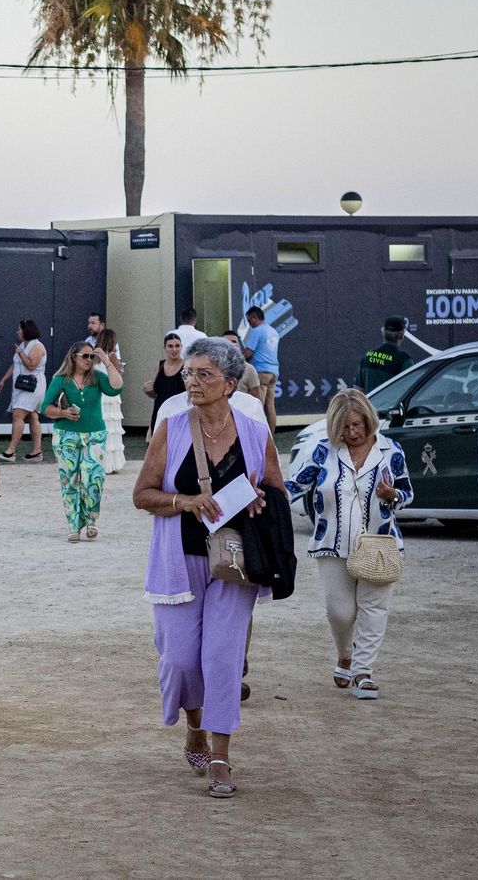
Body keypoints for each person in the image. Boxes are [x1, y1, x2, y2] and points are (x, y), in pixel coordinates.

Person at [132, 337, 282, 799]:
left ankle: (221, 757)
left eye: (203, 374)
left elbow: (277, 492)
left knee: (222, 657)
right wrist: (185, 501)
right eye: (188, 374)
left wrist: (261, 500)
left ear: (230, 384)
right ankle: (194, 725)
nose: (191, 382)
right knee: (180, 660)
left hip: (235, 563)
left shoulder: (255, 432)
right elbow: (142, 494)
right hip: (178, 561)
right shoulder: (171, 427)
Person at [285, 389, 414, 701]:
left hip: (380, 542)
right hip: (331, 542)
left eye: (357, 425)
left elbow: (407, 492)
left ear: (369, 420)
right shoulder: (323, 450)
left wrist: (392, 495)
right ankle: (345, 654)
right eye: (344, 427)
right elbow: (295, 486)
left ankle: (363, 672)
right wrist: (263, 493)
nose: (352, 433)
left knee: (374, 607)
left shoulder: (390, 450)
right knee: (340, 612)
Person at [42, 340, 123, 542]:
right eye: (85, 356)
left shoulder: (98, 377)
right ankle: (74, 524)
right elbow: (46, 408)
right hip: (66, 435)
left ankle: (91, 519)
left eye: (91, 356)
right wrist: (63, 412)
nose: (89, 360)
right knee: (69, 480)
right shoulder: (60, 379)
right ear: (73, 357)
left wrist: (106, 361)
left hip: (94, 434)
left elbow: (116, 388)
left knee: (94, 478)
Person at [0, 319, 47, 462]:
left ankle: (11, 450)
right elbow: (15, 364)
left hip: (33, 386)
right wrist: (4, 379)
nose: (17, 332)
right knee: (32, 416)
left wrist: (20, 352)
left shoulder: (37, 346)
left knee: (18, 415)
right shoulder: (23, 345)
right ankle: (37, 452)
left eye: (19, 329)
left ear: (26, 330)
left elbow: (31, 365)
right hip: (22, 386)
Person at [242, 306, 280, 433]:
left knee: (258, 405)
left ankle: (258, 436)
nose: (249, 324)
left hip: (261, 371)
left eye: (249, 320)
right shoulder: (273, 331)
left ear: (255, 318)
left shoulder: (256, 331)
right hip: (274, 372)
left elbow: (248, 353)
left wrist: (238, 359)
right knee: (270, 406)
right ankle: (271, 436)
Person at [95, 327, 127, 474]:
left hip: (99, 394)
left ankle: (98, 460)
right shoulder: (112, 356)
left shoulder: (95, 356)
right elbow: (117, 377)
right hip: (111, 395)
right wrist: (121, 369)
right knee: (111, 429)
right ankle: (110, 463)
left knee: (101, 427)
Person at [356, 316, 414, 393]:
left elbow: (359, 391)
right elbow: (413, 391)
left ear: (383, 332)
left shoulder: (368, 356)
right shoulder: (404, 361)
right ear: (402, 335)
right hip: (393, 401)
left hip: (368, 401)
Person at [144, 332, 187, 432]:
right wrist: (147, 390)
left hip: (179, 413)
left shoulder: (186, 366)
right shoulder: (159, 366)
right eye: (170, 346)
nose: (174, 350)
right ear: (165, 348)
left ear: (181, 347)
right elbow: (155, 393)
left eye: (177, 346)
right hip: (161, 412)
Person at [223, 332, 263, 398]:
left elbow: (257, 398)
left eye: (234, 342)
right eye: (226, 341)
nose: (231, 344)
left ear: (239, 346)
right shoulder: (214, 368)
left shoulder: (249, 369)